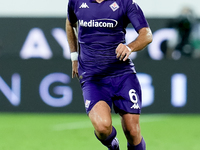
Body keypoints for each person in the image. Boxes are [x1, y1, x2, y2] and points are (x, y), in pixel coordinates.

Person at [66, 0, 152, 149]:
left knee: (132, 131)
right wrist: (74, 56)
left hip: (122, 75)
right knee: (102, 128)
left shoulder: (125, 3)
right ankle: (113, 145)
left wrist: (129, 47)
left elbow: (147, 35)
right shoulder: (76, 1)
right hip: (93, 78)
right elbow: (70, 24)